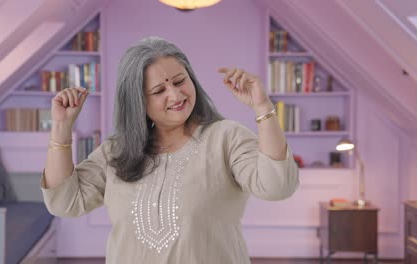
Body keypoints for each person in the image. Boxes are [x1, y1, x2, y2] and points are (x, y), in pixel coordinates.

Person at [41, 36, 299, 264]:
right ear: (138, 102)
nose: (176, 96)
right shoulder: (117, 151)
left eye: (179, 81)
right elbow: (65, 203)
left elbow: (278, 186)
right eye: (159, 90)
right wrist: (62, 126)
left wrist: (263, 107)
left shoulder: (226, 137)